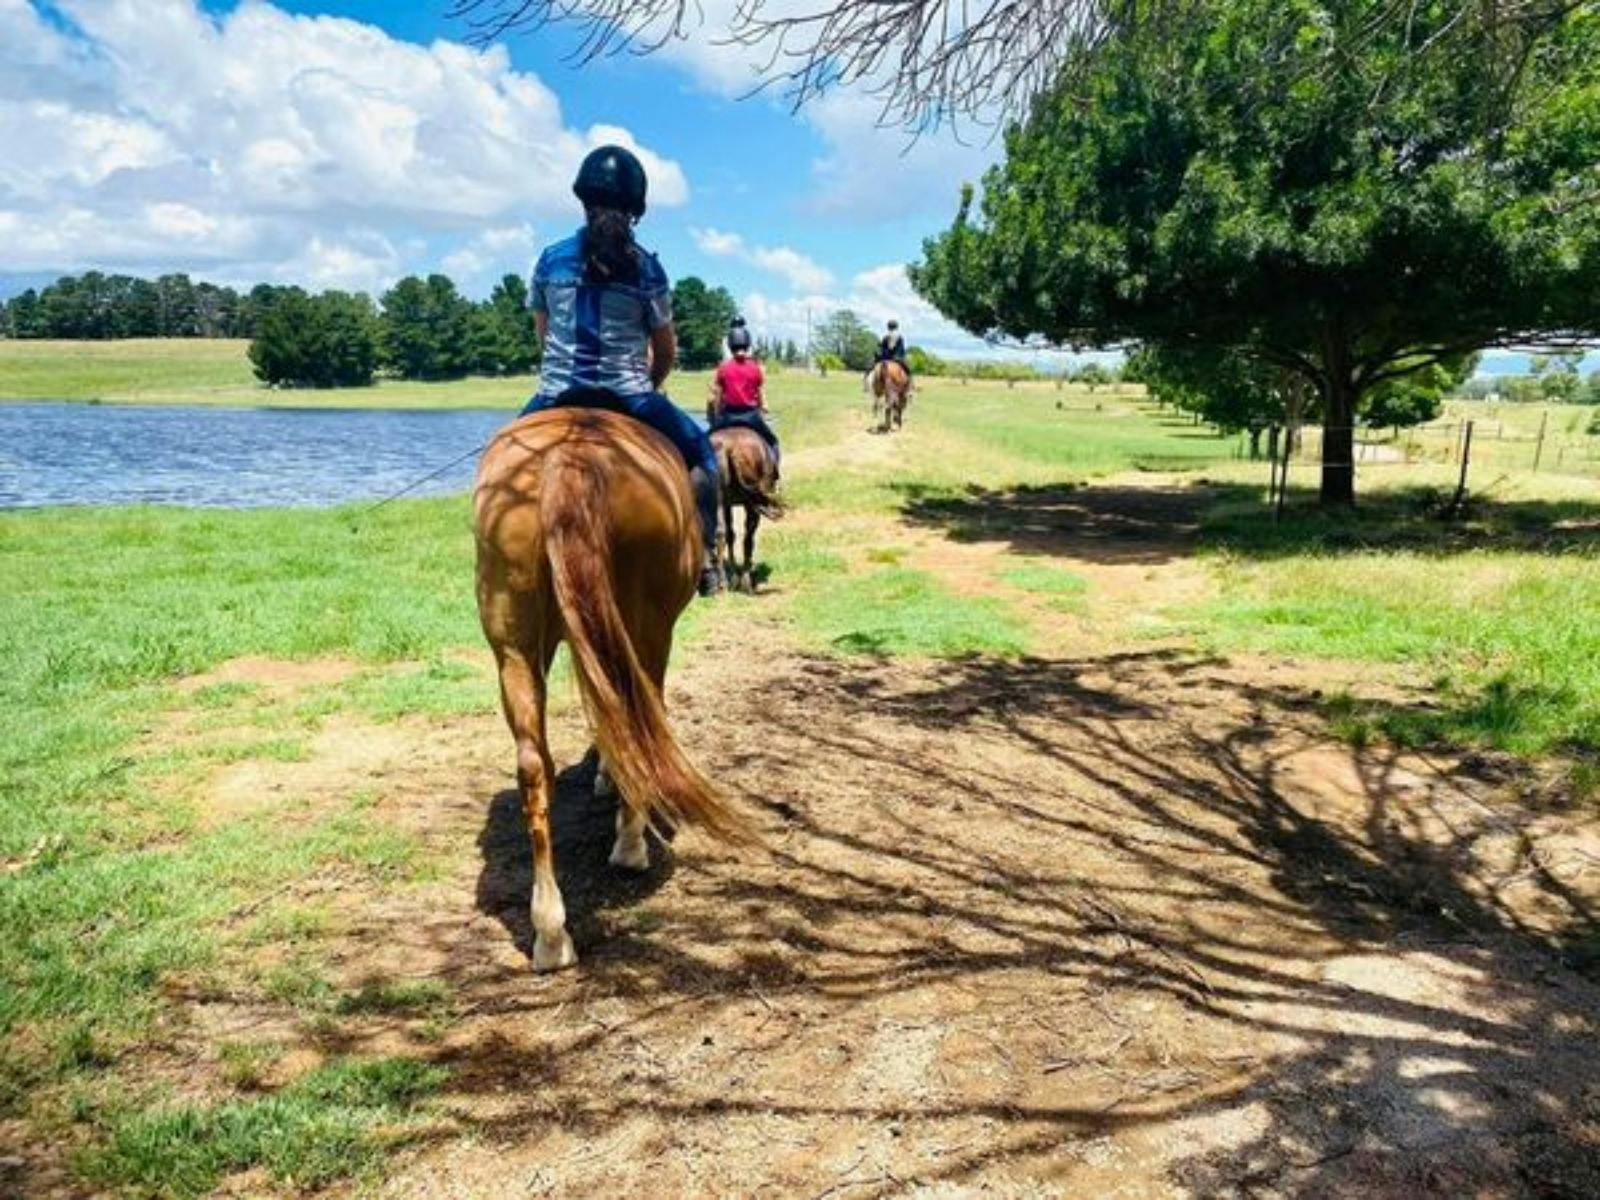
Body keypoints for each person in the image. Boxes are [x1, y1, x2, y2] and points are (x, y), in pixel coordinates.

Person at [520, 145, 722, 596]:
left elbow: (543, 334)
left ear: (583, 200)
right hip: (630, 395)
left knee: (499, 459)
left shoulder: (550, 259)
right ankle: (707, 558)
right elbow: (664, 349)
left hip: (555, 393)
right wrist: (650, 385)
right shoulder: (647, 269)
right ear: (635, 211)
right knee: (703, 454)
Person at [709, 318, 780, 476]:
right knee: (773, 442)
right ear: (747, 344)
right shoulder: (755, 368)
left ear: (730, 345)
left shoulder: (723, 368)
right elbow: (760, 394)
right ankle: (775, 475)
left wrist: (717, 413)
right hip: (751, 416)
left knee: (705, 443)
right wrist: (764, 406)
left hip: (728, 416)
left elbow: (718, 397)